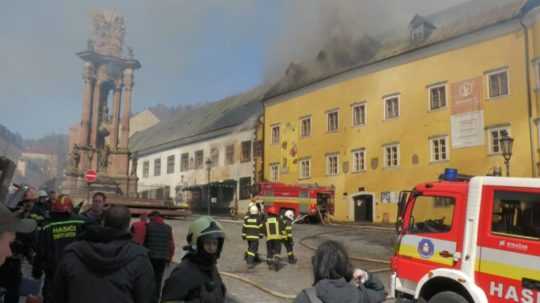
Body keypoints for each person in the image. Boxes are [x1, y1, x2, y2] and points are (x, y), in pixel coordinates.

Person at [52, 205, 155, 303]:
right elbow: (146, 298)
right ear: (127, 226)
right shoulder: (140, 258)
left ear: (103, 222)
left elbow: (58, 295)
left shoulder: (73, 252)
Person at [32, 195, 86, 303]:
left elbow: (40, 251)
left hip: (53, 276)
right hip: (76, 276)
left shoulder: (47, 226)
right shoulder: (82, 223)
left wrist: (36, 272)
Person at [293, 240, 385, 303]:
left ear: (317, 266)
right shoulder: (359, 295)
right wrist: (366, 276)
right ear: (345, 266)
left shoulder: (305, 298)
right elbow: (380, 292)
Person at [161, 216, 226, 303]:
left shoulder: (212, 269)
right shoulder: (183, 272)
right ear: (196, 245)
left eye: (215, 244)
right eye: (207, 243)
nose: (212, 248)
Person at [0, 191, 37, 303]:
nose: (29, 205)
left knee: (12, 288)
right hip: (10, 260)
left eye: (31, 202)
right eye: (27, 202)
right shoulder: (12, 213)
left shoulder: (31, 216)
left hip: (15, 260)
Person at [144, 211, 174, 302]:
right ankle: (156, 298)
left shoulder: (148, 227)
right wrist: (169, 257)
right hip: (162, 258)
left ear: (153, 217)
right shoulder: (168, 228)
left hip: (150, 257)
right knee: (158, 279)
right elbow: (171, 245)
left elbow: (145, 242)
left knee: (148, 278)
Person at [262, 205, 284, 271]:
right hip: (277, 238)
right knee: (277, 251)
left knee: (269, 251)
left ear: (269, 213)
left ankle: (270, 264)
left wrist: (266, 234)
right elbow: (283, 228)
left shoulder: (265, 220)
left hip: (269, 239)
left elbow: (263, 229)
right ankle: (276, 259)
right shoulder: (279, 219)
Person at [242, 204, 264, 269]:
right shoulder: (258, 219)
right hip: (254, 237)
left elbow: (244, 228)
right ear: (257, 212)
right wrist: (261, 235)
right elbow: (261, 228)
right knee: (253, 249)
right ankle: (249, 262)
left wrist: (243, 235)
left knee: (251, 248)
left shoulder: (247, 219)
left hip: (248, 237)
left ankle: (253, 257)